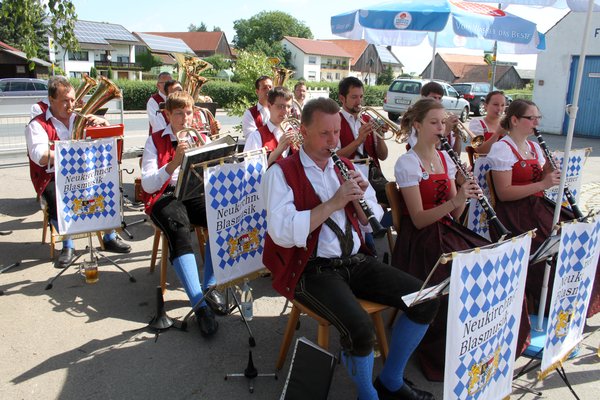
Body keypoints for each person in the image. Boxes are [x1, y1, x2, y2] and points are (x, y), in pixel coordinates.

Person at [263, 97, 439, 400]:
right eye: (324, 134)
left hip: (355, 261)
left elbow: (372, 224)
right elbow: (282, 233)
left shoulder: (343, 166)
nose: (333, 141)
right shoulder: (281, 173)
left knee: (425, 298)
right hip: (310, 269)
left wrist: (360, 203)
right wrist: (333, 202)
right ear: (303, 131)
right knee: (361, 331)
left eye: (336, 133)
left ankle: (392, 380)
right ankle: (368, 393)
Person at [391, 98, 529, 381]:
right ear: (417, 125)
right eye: (434, 123)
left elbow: (455, 213)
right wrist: (455, 197)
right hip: (420, 241)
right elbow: (418, 219)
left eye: (443, 122)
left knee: (492, 264)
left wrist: (463, 195)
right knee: (460, 278)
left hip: (446, 230)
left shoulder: (444, 157)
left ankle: (484, 342)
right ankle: (443, 353)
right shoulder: (407, 163)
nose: (441, 128)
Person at [486, 99, 600, 318]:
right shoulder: (501, 149)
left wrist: (547, 170)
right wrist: (543, 183)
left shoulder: (534, 147)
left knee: (582, 236)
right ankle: (550, 306)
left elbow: (539, 179)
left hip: (536, 207)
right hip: (515, 215)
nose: (537, 122)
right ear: (515, 120)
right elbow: (504, 194)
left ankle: (577, 300)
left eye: (538, 117)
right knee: (553, 247)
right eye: (532, 118)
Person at [140, 91, 226, 338]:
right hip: (165, 195)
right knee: (178, 229)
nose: (185, 118)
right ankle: (199, 306)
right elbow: (147, 185)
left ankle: (210, 287)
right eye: (179, 113)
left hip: (194, 191)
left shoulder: (199, 136)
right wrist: (173, 163)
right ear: (167, 115)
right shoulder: (154, 141)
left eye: (189, 112)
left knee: (219, 215)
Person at [25, 76, 131, 269]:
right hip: (52, 175)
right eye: (65, 100)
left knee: (109, 190)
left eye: (73, 100)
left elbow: (106, 143)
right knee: (58, 198)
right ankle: (68, 244)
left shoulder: (79, 119)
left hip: (83, 174)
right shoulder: (37, 124)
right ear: (51, 100)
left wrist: (103, 125)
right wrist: (70, 153)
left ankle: (109, 236)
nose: (71, 105)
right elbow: (39, 156)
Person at [336, 77, 389, 204]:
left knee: (398, 198)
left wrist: (380, 135)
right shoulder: (335, 120)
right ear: (342, 98)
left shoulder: (368, 119)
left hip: (372, 175)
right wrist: (358, 141)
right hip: (348, 177)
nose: (359, 101)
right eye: (354, 97)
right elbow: (335, 156)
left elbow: (383, 156)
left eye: (361, 96)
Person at [243, 86, 296, 166]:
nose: (285, 111)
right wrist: (278, 150)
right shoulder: (256, 137)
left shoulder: (295, 131)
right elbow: (251, 172)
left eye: (288, 106)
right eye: (280, 106)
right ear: (269, 106)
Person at [406, 82, 461, 156]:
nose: (437, 101)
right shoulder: (414, 121)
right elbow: (422, 152)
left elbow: (456, 154)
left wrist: (458, 137)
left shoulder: (443, 120)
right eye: (434, 98)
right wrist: (445, 131)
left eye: (439, 98)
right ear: (423, 97)